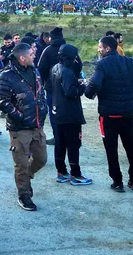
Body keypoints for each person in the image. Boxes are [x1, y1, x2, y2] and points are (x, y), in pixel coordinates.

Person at [84, 35, 133, 192]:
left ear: (107, 48)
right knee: (131, 148)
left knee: (111, 150)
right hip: (127, 114)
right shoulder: (128, 61)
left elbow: (95, 84)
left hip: (108, 115)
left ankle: (117, 181)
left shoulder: (102, 64)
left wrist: (89, 93)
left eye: (100, 47)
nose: (98, 50)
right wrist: (131, 89)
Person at [0, 42, 49, 211]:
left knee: (41, 159)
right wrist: (19, 115)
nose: (35, 56)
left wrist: (44, 109)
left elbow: (40, 93)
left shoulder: (34, 70)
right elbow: (1, 101)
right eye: (32, 54)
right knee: (21, 164)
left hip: (37, 125)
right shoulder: (6, 75)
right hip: (19, 129)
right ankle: (24, 195)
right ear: (22, 57)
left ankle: (27, 177)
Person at [47, 44, 92, 186]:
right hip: (70, 114)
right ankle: (76, 174)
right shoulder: (66, 71)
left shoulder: (54, 68)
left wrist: (74, 83)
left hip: (58, 112)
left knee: (60, 143)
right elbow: (70, 92)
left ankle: (61, 172)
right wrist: (83, 86)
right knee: (73, 144)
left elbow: (51, 87)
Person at [37, 27, 65, 146]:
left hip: (52, 87)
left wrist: (43, 83)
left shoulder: (48, 50)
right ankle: (67, 136)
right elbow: (78, 66)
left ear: (51, 38)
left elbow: (41, 68)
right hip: (67, 87)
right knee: (66, 112)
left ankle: (57, 136)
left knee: (53, 112)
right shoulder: (69, 49)